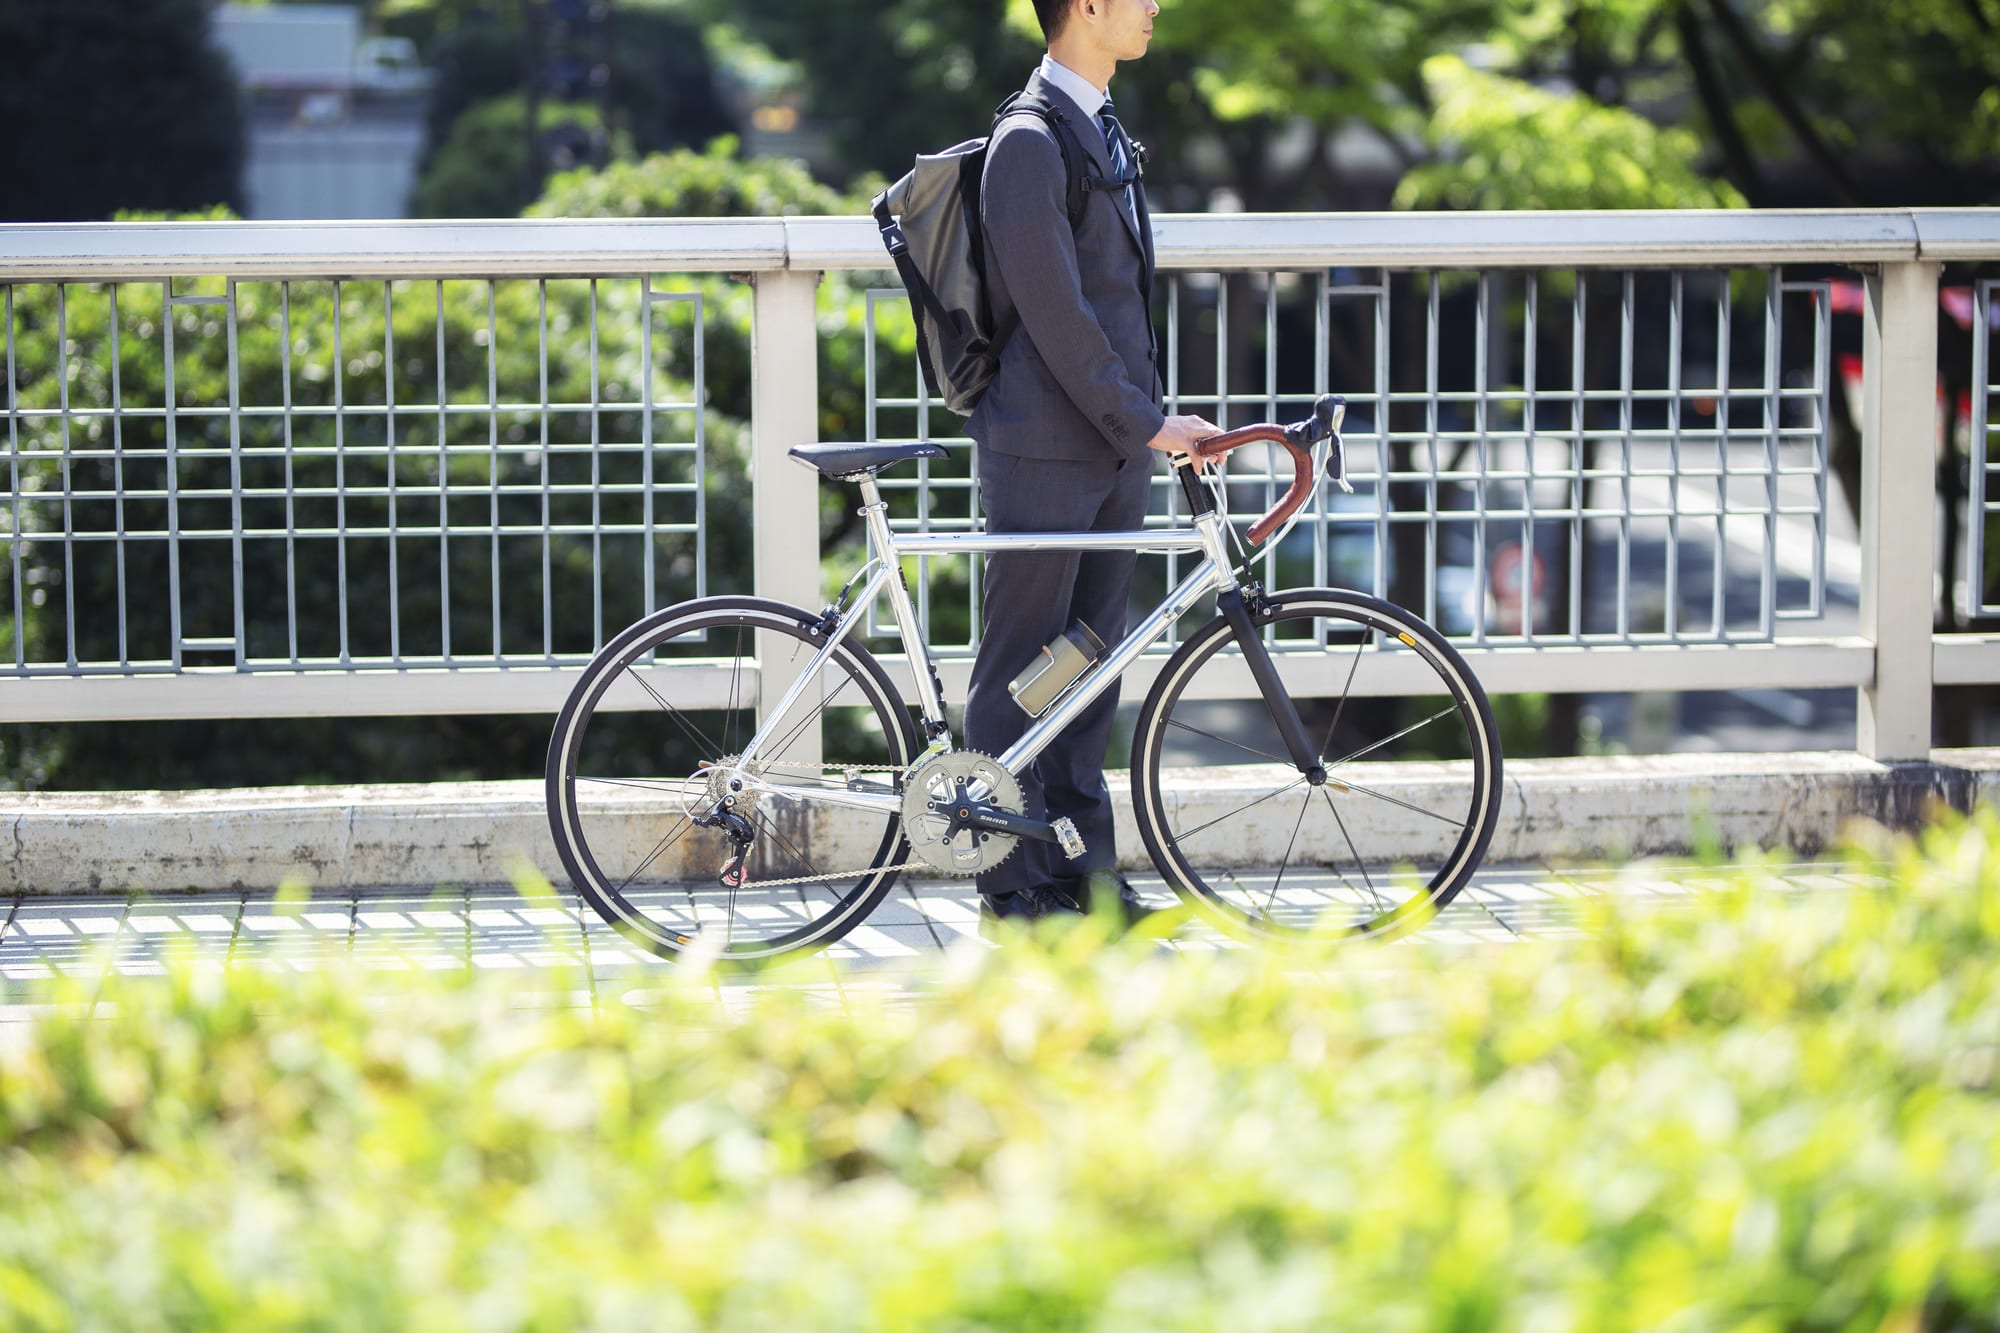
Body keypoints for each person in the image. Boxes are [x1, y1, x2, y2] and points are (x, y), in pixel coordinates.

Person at [963, 0, 1218, 933]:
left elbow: (1113, 305)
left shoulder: (1099, 128)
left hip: (1112, 442)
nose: (1155, 6)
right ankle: (1010, 880)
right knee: (1021, 663)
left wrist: (1146, 422)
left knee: (1087, 665)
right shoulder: (1028, 141)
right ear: (1086, 8)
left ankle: (1084, 870)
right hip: (1046, 443)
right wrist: (1146, 422)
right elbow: (1060, 319)